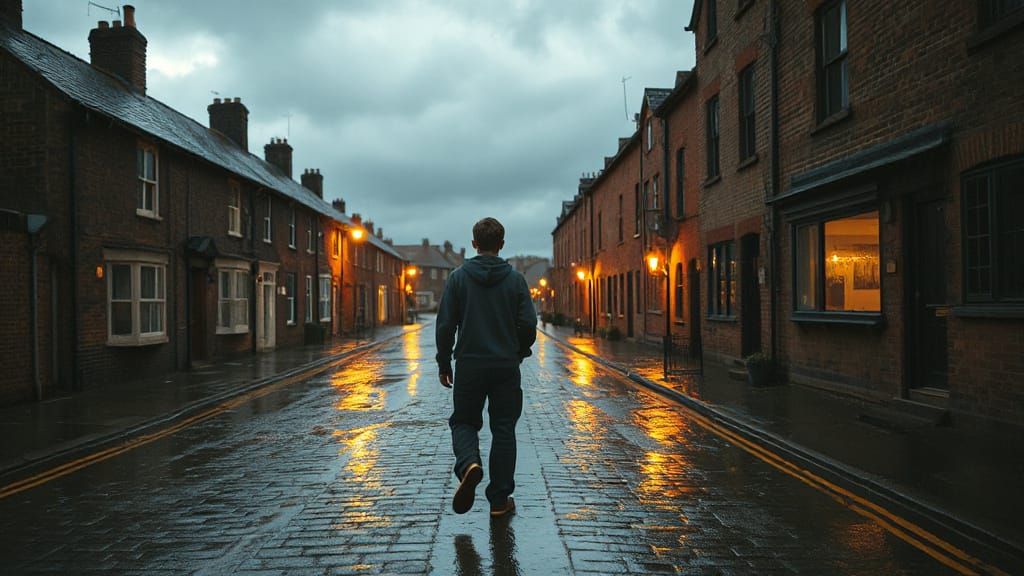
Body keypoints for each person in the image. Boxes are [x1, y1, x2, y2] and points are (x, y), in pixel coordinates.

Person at [436, 217, 537, 518]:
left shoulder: (458, 278)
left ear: (474, 243)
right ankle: (499, 501)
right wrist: (518, 351)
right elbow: (528, 324)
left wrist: (444, 362)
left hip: (469, 364)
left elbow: (445, 325)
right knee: (503, 428)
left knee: (464, 422)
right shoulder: (516, 280)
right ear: (501, 244)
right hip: (505, 365)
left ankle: (469, 463)